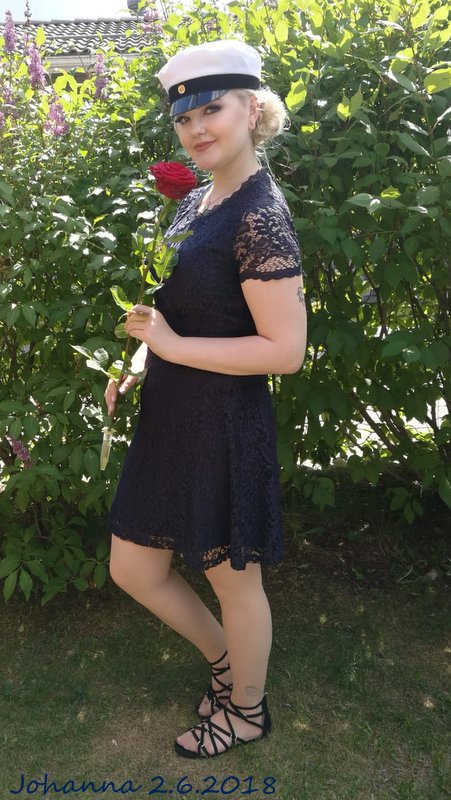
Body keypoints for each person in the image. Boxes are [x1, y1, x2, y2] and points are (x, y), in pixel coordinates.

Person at [104, 39, 307, 759]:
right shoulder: (197, 199)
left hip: (222, 422)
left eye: (210, 110)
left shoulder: (260, 215)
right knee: (133, 568)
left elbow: (284, 351)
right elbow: (176, 310)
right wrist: (139, 360)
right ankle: (225, 660)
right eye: (183, 117)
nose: (195, 129)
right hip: (170, 413)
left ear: (253, 110)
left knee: (232, 578)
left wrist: (170, 346)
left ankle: (246, 710)